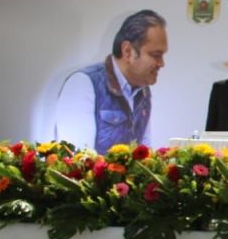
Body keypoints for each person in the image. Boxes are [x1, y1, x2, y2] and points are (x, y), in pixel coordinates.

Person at [55, 9, 167, 154]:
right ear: (127, 51)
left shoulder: (143, 90)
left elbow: (144, 154)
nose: (161, 63)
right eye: (156, 55)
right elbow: (77, 160)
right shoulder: (83, 83)